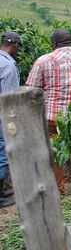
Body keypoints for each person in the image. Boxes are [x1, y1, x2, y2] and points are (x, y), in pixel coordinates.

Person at [26, 28, 71, 194]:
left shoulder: (44, 61)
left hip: (52, 116)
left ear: (54, 43)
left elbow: (31, 90)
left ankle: (58, 191)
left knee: (53, 153)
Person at [0, 31, 21, 208]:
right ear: (15, 46)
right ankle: (1, 196)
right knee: (3, 155)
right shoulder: (8, 67)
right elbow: (8, 99)